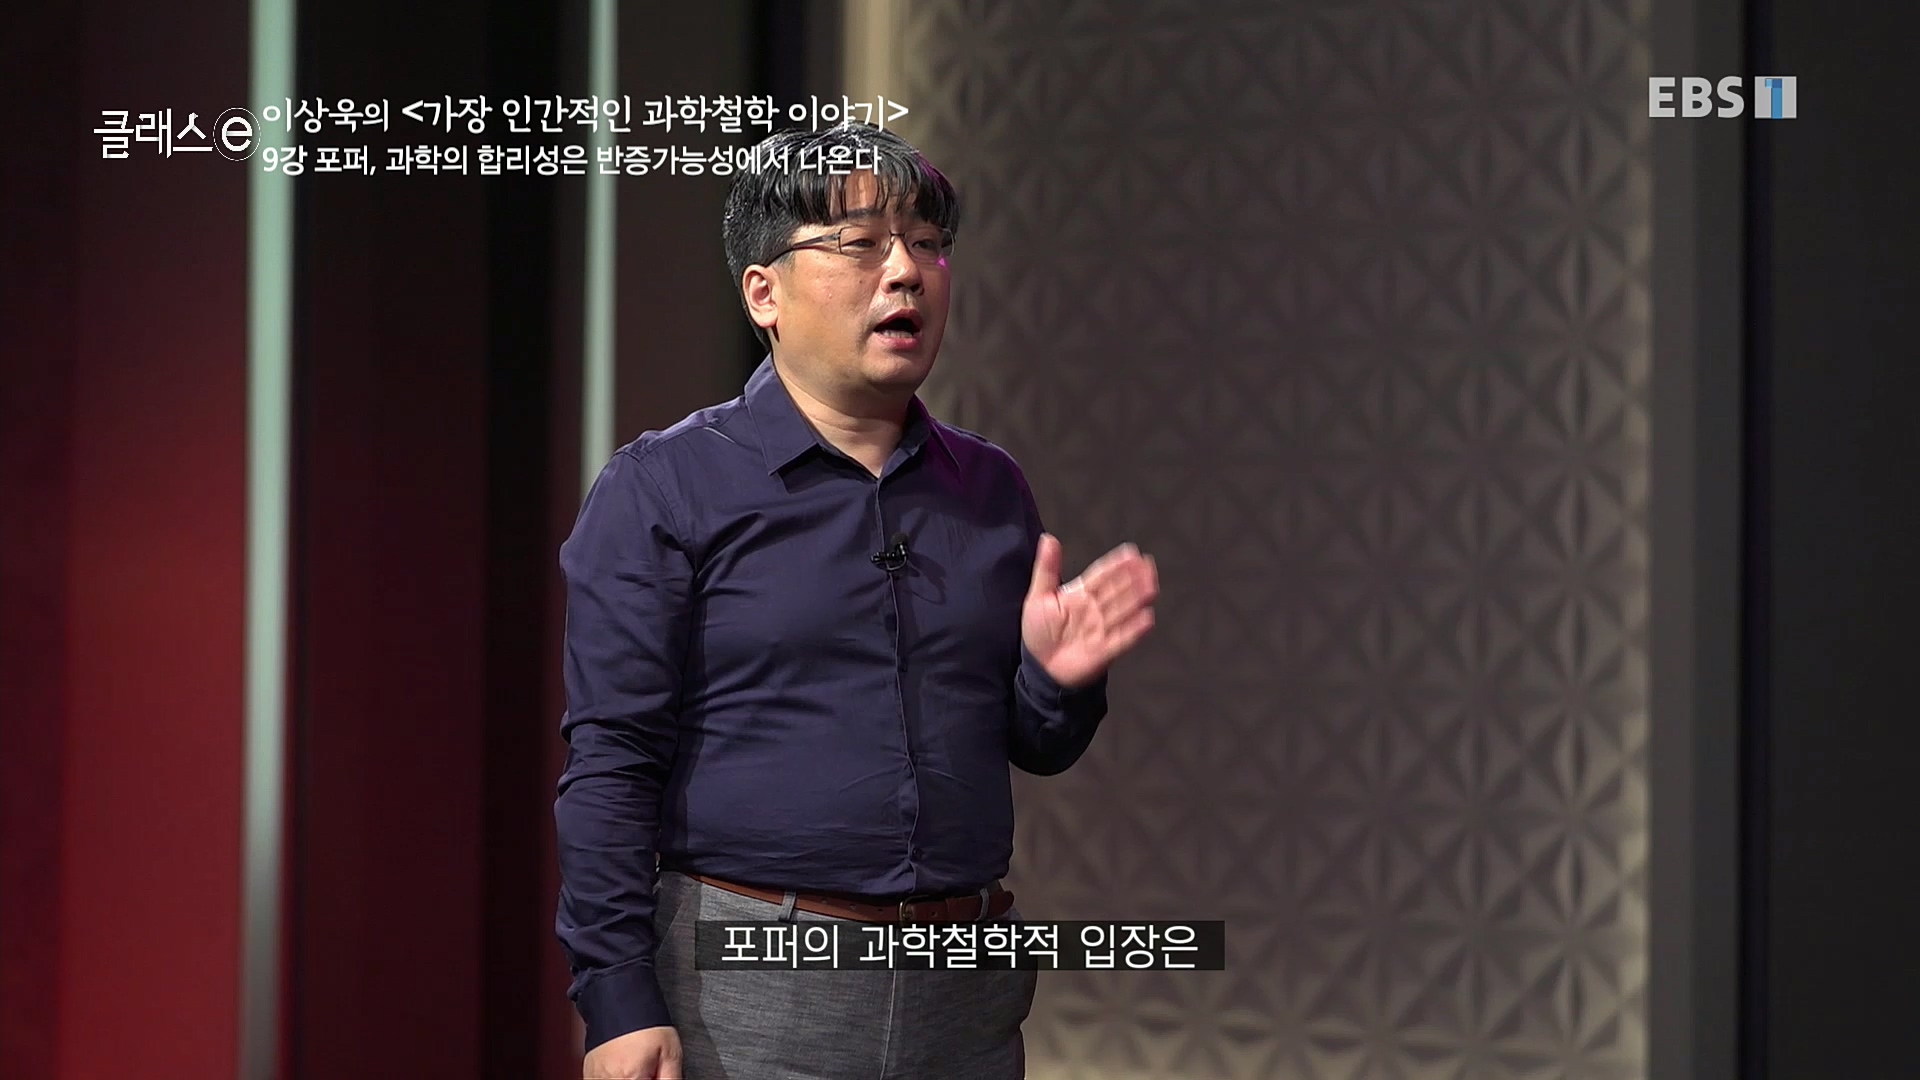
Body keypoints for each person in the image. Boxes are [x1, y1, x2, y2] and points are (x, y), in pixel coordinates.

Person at [553, 121, 1159, 1080]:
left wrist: (1055, 679)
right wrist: (617, 1000)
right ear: (765, 293)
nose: (907, 271)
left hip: (965, 989)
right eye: (861, 244)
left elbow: (1037, 745)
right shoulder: (665, 487)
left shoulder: (989, 489)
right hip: (750, 987)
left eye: (927, 243)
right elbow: (612, 762)